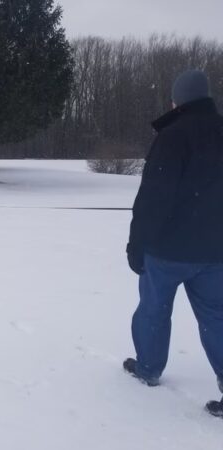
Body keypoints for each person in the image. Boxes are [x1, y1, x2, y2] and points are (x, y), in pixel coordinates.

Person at [125, 69, 223, 417]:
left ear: (177, 100)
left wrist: (137, 245)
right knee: (217, 317)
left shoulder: (173, 136)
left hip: (168, 250)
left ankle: (149, 368)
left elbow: (154, 198)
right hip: (215, 252)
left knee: (154, 309)